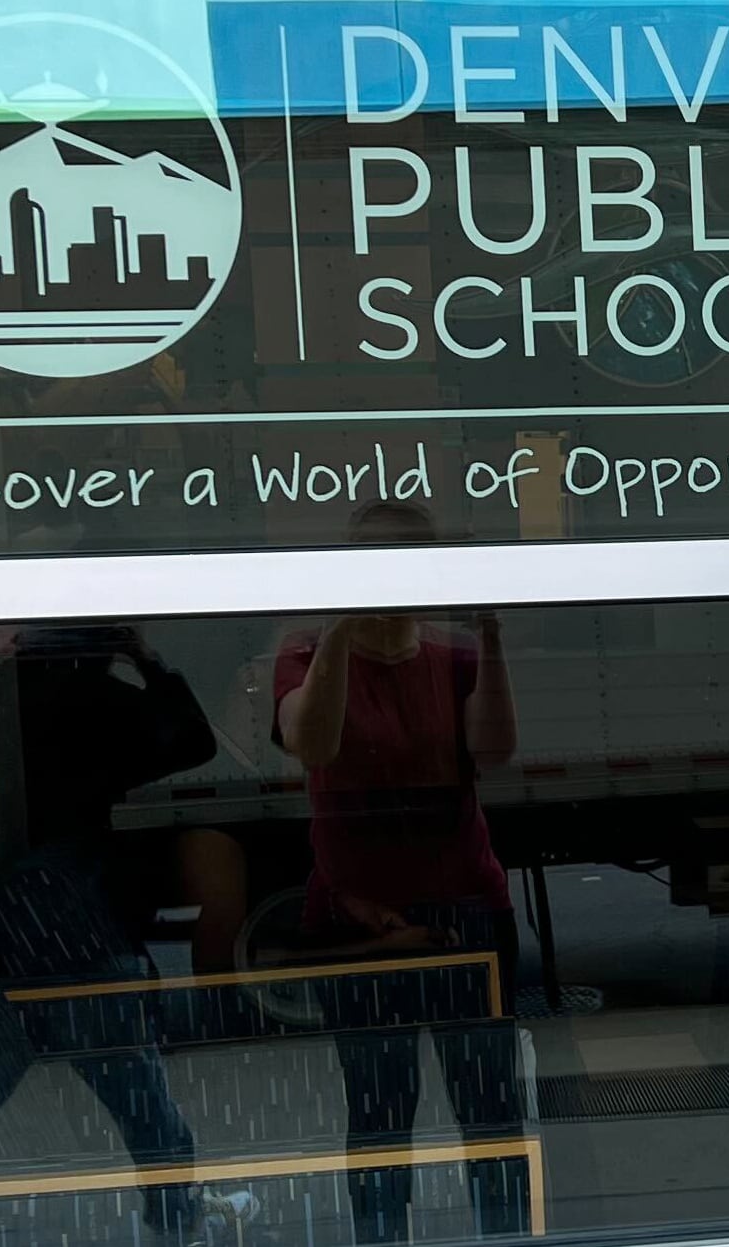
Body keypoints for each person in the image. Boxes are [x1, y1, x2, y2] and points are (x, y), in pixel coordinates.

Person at [272, 499, 527, 1242]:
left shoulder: (452, 657)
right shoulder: (307, 650)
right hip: (359, 918)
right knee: (379, 1112)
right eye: (370, 557)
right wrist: (343, 631)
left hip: (462, 907)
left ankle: (502, 1231)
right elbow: (312, 743)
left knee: (489, 1107)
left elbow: (495, 748)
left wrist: (490, 630)